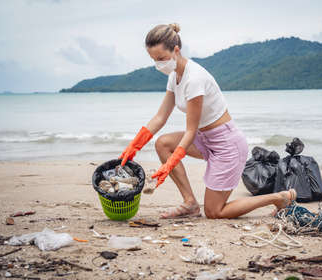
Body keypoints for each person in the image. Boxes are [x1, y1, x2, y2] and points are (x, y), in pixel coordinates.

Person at [119, 23, 296, 219]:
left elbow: (190, 131)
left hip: (227, 145)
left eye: (161, 58)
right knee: (163, 144)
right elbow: (160, 117)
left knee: (214, 212)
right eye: (154, 60)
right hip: (205, 139)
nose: (158, 64)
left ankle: (278, 198)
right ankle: (190, 203)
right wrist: (134, 146)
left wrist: (171, 164)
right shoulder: (174, 76)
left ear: (176, 50)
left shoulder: (194, 79)